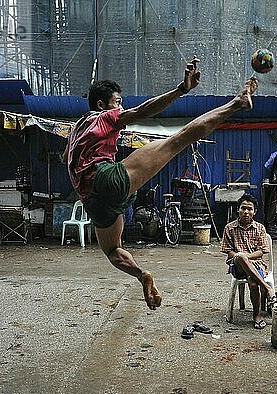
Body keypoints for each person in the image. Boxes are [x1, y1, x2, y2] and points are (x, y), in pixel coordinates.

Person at [65, 56, 259, 310]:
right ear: (102, 104)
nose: (120, 108)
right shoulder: (102, 117)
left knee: (113, 251)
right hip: (106, 179)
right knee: (178, 140)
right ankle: (237, 103)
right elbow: (143, 111)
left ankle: (141, 275)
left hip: (92, 201)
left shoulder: (75, 129)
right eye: (118, 103)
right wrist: (182, 89)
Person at [221, 193, 276, 329]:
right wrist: (242, 257)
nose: (246, 212)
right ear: (238, 209)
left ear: (254, 212)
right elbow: (229, 252)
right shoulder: (229, 228)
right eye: (243, 208)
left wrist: (246, 257)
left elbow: (262, 251)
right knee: (239, 257)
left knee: (252, 281)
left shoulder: (260, 228)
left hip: (257, 265)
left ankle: (256, 315)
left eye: (249, 209)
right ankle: (267, 288)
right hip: (237, 267)